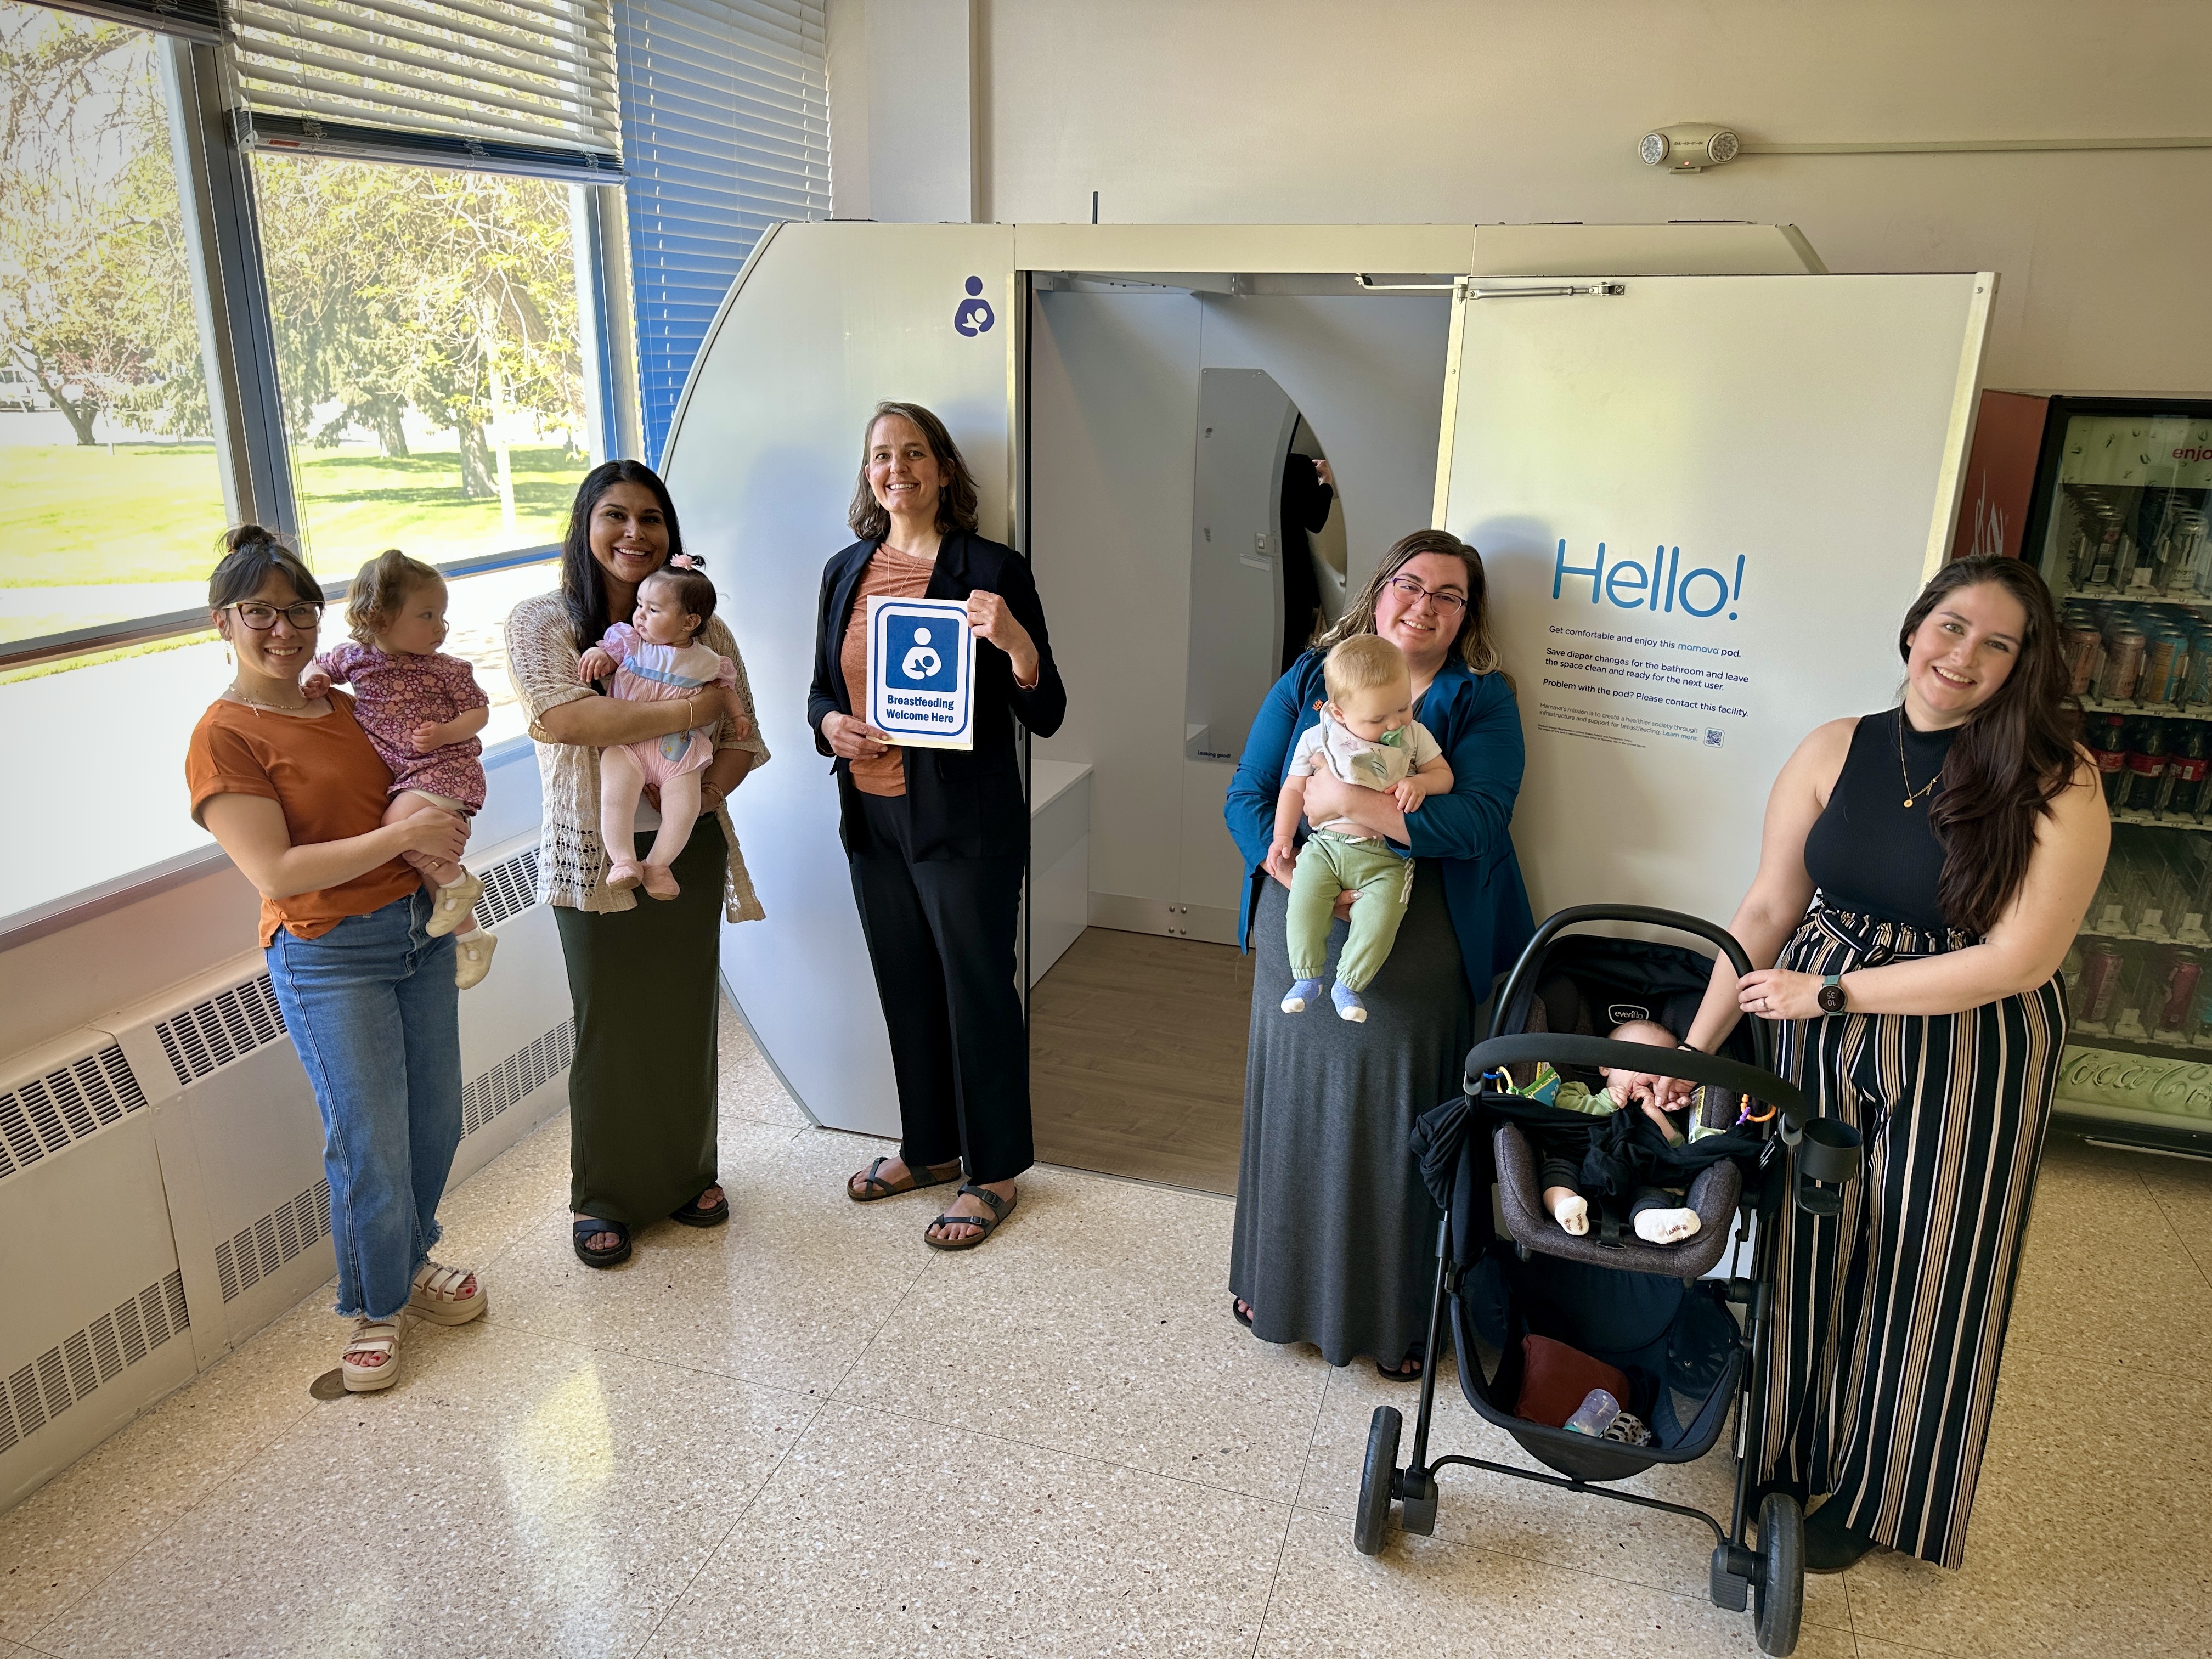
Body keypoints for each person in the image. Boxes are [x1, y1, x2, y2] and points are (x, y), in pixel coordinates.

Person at [1673, 553, 2107, 1573]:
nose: (1963, 655)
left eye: (1996, 642)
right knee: (1805, 1237)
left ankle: (1882, 1492)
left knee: (1931, 1258)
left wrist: (1834, 992)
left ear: (2020, 665)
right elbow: (1768, 908)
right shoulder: (1837, 747)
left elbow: (2019, 957)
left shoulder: (2059, 779)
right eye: (1951, 625)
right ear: (1914, 628)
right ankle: (1780, 1447)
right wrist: (1695, 1051)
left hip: (1969, 1036)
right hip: (1810, 1018)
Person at [1225, 528, 1535, 1379]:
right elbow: (1250, 793)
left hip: (1421, 940)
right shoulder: (1311, 677)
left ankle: (1399, 1317)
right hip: (1305, 921)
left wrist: (1348, 798)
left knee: (1393, 1128)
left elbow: (1477, 820)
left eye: (1448, 595)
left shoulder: (1482, 699)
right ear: (1381, 588)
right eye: (1411, 584)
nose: (1423, 606)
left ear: (1466, 615)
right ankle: (1276, 1287)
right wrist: (1283, 862)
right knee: (1296, 1111)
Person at [186, 526, 486, 1392]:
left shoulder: (349, 705)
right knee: (369, 1142)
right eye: (261, 614)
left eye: (300, 611)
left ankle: (412, 1258)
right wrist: (398, 835)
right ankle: (373, 1305)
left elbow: (426, 768)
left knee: (433, 1119)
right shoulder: (225, 735)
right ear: (223, 621)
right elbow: (276, 870)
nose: (284, 630)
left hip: (414, 931)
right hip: (328, 953)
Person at [813, 400, 1066, 1250]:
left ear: (945, 470)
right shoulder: (845, 569)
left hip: (966, 826)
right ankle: (927, 1150)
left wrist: (1016, 642)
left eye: (915, 453)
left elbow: (1049, 710)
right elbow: (821, 689)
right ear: (869, 474)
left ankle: (992, 1172)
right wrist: (829, 727)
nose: (897, 469)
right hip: (873, 819)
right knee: (907, 991)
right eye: (882, 455)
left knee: (977, 993)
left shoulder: (990, 566)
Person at [504, 461, 769, 1269]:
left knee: (686, 1013)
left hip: (685, 849)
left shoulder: (703, 624)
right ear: (585, 527)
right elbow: (565, 719)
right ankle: (606, 1198)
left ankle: (690, 1177)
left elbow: (746, 735)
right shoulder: (543, 621)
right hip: (595, 853)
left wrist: (695, 787)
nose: (634, 534)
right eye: (614, 516)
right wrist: (690, 711)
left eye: (651, 518)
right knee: (611, 1022)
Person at [302, 547, 496, 989]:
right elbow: (321, 667)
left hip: (445, 769)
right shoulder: (355, 659)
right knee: (429, 870)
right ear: (380, 617)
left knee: (397, 827)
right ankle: (472, 939)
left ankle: (460, 882)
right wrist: (315, 679)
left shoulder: (448, 670)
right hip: (408, 778)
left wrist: (447, 732)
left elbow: (479, 714)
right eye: (427, 615)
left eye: (442, 615)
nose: (440, 627)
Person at [1272, 634, 1452, 1023]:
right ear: (1338, 713)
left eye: (1403, 707)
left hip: (1385, 855)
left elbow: (1444, 775)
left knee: (1384, 915)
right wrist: (1283, 837)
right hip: (1326, 847)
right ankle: (1307, 977)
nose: (1395, 723)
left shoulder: (1413, 736)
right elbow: (1293, 787)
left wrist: (1421, 782)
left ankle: (1349, 983)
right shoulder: (1318, 738)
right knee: (1303, 899)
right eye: (1378, 719)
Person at [576, 557, 737, 899]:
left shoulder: (708, 660)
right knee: (616, 797)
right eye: (639, 605)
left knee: (684, 808)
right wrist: (598, 655)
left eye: (653, 610)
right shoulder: (632, 643)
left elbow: (726, 691)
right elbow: (607, 654)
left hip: (677, 751)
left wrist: (738, 718)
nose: (640, 616)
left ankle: (659, 865)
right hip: (628, 747)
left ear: (688, 622)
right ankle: (623, 861)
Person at [1487, 1018, 1722, 1243]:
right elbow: (1563, 1110)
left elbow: (1675, 1150)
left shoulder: (1659, 1113)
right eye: (1634, 1061)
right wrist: (1603, 1102)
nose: (1645, 1074)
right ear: (1605, 1066)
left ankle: (1651, 1221)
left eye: (1657, 1069)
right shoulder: (1579, 1091)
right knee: (1557, 1169)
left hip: (1636, 1181)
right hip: (1579, 1166)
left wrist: (1655, 1115)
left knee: (1654, 1193)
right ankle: (1565, 1207)